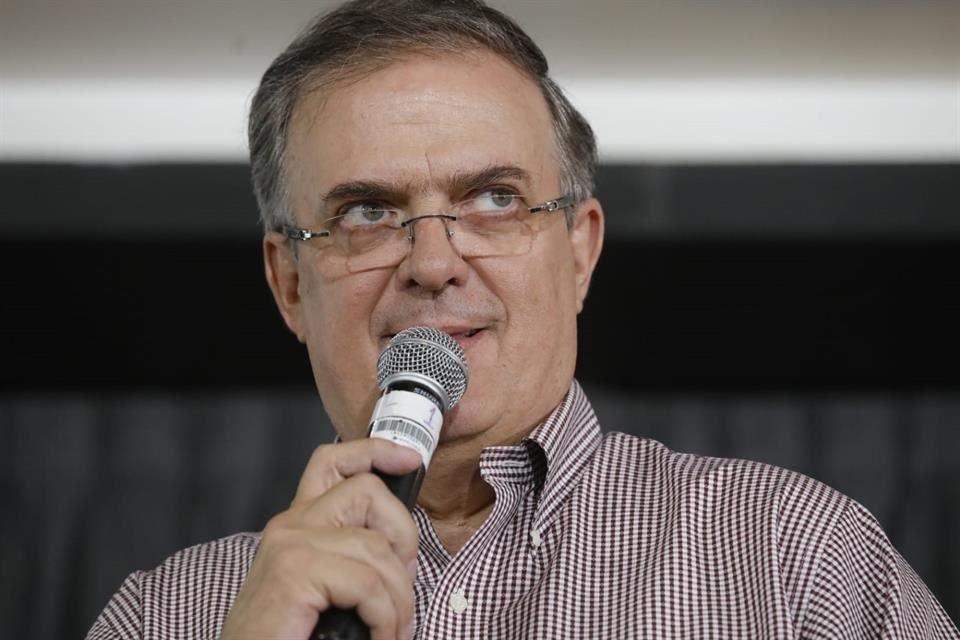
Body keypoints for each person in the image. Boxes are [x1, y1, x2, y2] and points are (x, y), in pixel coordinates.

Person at [87, 1, 958, 638]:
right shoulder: (167, 616)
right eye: (368, 213)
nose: (432, 263)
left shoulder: (797, 559)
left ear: (579, 252)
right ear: (288, 285)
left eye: (495, 199)